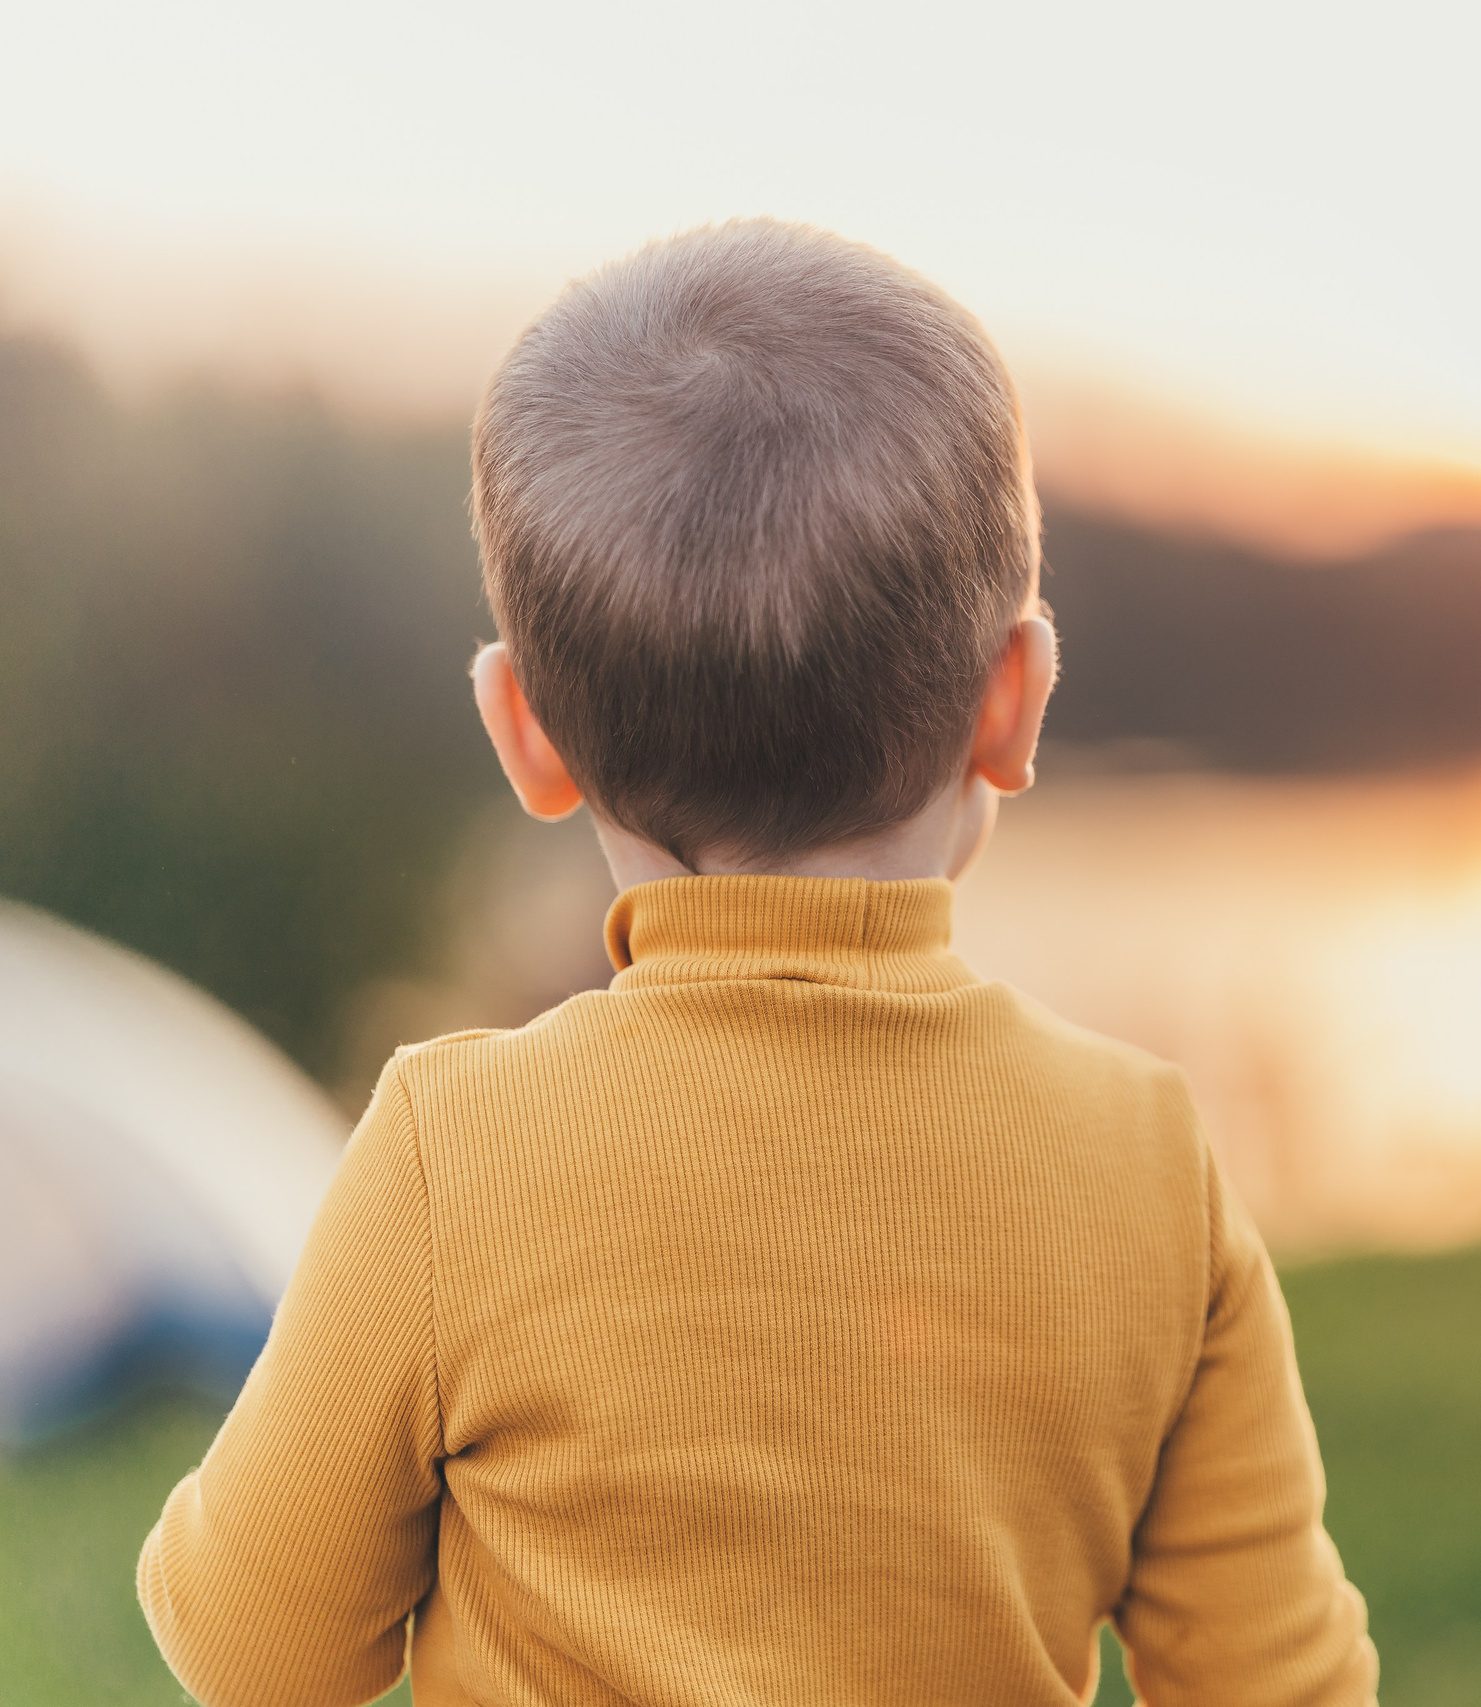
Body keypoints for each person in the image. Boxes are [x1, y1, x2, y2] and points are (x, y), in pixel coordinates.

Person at [136, 219, 1378, 1707]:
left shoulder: (445, 1160)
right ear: (1015, 700)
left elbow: (252, 1652)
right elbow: (1279, 1687)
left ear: (526, 734)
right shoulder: (1149, 1165)